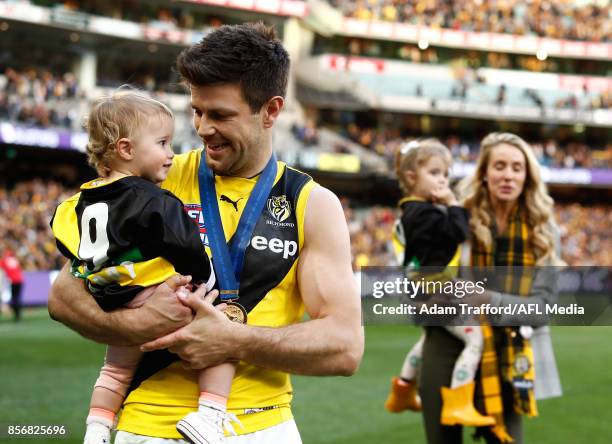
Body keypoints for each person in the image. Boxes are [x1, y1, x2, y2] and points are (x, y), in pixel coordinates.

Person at [48, 22, 364, 444]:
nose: (201, 127)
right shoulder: (151, 181)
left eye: (220, 115)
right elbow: (63, 297)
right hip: (145, 427)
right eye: (197, 111)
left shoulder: (311, 203)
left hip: (261, 426)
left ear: (271, 110)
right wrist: (138, 323)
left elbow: (344, 346)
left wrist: (233, 340)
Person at [50, 90, 240, 444]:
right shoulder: (153, 199)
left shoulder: (75, 202)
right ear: (126, 149)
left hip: (113, 298)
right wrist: (206, 281)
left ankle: (97, 426)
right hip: (161, 293)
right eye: (163, 143)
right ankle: (212, 415)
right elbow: (186, 245)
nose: (171, 154)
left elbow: (66, 243)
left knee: (115, 370)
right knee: (224, 340)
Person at [418, 132, 562, 444]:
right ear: (484, 172)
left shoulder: (544, 230)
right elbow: (419, 295)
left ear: (527, 176)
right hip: (449, 345)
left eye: (516, 167)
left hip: (510, 352)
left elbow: (542, 310)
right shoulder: (453, 219)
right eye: (499, 166)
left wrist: (487, 299)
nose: (508, 175)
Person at [384, 139, 494, 428]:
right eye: (434, 173)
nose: (443, 180)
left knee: (426, 340)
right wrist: (452, 204)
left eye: (446, 174)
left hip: (425, 295)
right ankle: (458, 401)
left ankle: (403, 390)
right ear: (411, 177)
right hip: (438, 294)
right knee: (475, 338)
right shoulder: (423, 213)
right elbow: (458, 231)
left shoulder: (412, 210)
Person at [0, 247, 23, 321]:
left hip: (13, 281)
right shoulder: (14, 259)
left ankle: (16, 315)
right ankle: (17, 315)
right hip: (20, 280)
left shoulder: (3, 260)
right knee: (16, 298)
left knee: (14, 298)